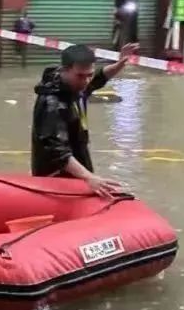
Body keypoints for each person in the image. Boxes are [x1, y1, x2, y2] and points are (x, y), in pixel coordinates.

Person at [31, 43, 138, 196]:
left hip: (78, 166)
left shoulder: (77, 86)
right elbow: (57, 152)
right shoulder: (52, 103)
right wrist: (89, 177)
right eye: (81, 76)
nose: (87, 81)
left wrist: (119, 64)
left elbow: (99, 78)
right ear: (65, 70)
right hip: (55, 176)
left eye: (89, 75)